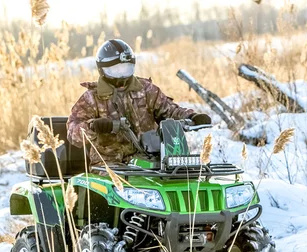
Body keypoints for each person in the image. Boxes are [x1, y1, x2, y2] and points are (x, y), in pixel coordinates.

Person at [67, 39, 211, 167]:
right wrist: (93, 126)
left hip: (152, 160)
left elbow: (169, 110)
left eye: (125, 68)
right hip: (110, 165)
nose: (122, 74)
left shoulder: (146, 89)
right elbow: (73, 132)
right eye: (116, 69)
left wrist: (191, 117)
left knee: (183, 176)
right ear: (102, 69)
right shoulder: (92, 97)